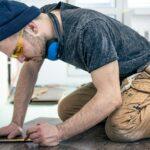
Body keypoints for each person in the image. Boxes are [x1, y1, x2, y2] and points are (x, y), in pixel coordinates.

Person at [0, 0, 149, 147]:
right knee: (67, 109)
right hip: (121, 77)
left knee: (121, 126)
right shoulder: (44, 20)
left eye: (18, 51)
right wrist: (16, 123)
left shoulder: (89, 28)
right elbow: (29, 72)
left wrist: (59, 132)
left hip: (144, 71)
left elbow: (111, 97)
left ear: (33, 28)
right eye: (14, 56)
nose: (20, 60)